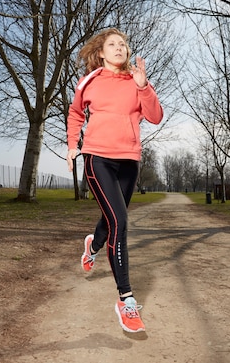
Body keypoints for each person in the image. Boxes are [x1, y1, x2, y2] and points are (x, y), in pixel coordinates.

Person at [66, 28, 163, 333]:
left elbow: (156, 116)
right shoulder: (90, 80)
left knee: (111, 221)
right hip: (98, 158)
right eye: (113, 44)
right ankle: (127, 301)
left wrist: (144, 86)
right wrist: (72, 145)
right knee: (120, 222)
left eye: (123, 44)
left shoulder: (136, 81)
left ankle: (92, 245)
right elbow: (75, 113)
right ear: (101, 52)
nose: (119, 48)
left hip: (129, 161)